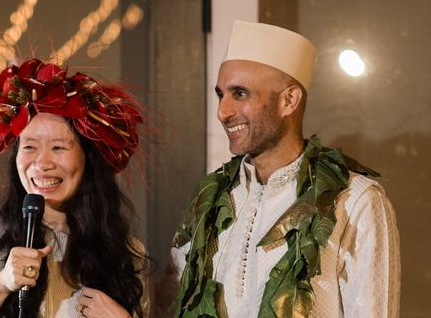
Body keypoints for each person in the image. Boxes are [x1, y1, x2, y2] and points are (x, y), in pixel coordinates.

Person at [165, 20, 400, 317]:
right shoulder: (210, 201)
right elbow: (170, 302)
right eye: (220, 94)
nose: (222, 112)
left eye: (240, 94)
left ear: (288, 100)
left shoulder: (356, 201)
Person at [0, 58, 151, 317]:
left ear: (89, 158)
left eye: (58, 148)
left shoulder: (127, 253)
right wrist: (0, 285)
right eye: (29, 147)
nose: (42, 163)